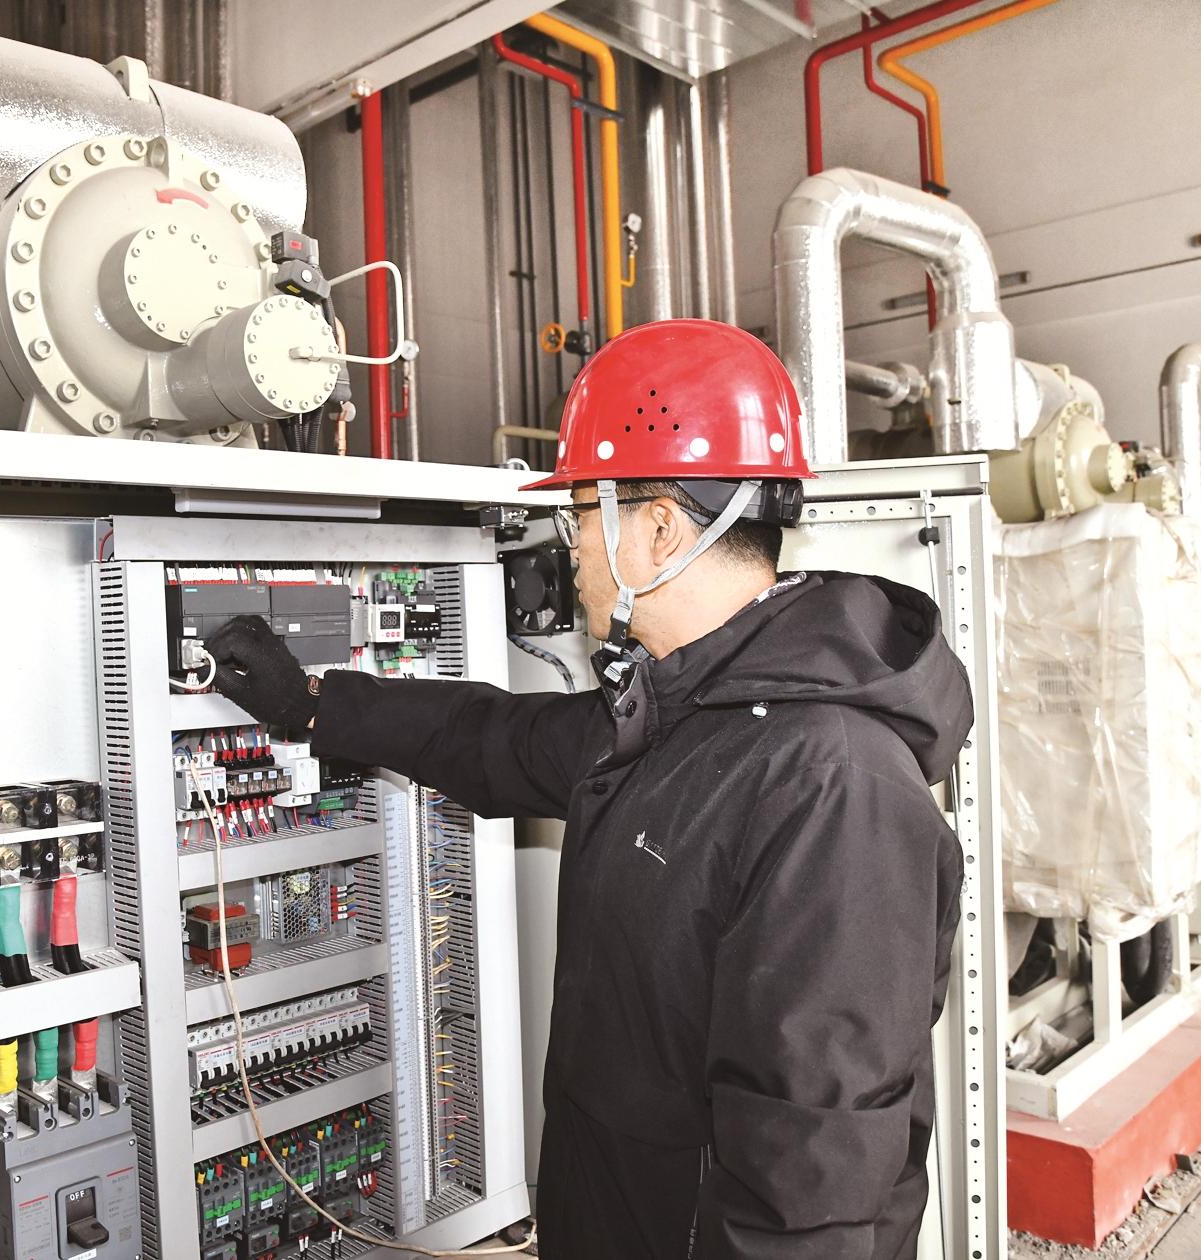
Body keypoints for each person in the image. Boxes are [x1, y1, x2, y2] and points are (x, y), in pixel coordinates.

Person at [206, 319, 970, 1259]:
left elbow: (812, 1180)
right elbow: (495, 739)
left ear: (657, 527)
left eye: (579, 518)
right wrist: (314, 706)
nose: (571, 550)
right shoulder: (683, 706)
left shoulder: (833, 788)